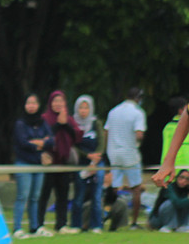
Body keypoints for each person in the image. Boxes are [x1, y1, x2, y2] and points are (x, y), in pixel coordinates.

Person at [35, 90, 80, 235]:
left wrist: (65, 124)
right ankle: (39, 224)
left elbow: (76, 137)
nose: (58, 104)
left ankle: (61, 224)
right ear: (50, 103)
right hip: (48, 163)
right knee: (44, 194)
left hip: (64, 162)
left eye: (61, 101)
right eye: (55, 101)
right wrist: (58, 125)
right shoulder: (44, 118)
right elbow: (43, 138)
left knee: (63, 195)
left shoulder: (69, 119)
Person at [104, 87, 147, 228]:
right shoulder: (138, 113)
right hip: (130, 154)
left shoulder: (113, 111)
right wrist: (138, 143)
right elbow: (139, 134)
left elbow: (106, 132)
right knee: (136, 188)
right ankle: (133, 222)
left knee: (115, 187)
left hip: (114, 154)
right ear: (138, 98)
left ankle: (111, 218)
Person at [62, 94, 105, 234]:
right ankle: (76, 225)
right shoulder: (73, 124)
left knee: (96, 195)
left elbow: (101, 142)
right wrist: (87, 155)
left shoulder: (95, 123)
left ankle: (97, 225)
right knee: (78, 195)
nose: (83, 111)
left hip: (97, 163)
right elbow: (73, 145)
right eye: (81, 107)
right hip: (80, 163)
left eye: (86, 108)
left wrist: (95, 158)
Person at [11, 94, 52, 238]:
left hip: (38, 164)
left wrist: (38, 143)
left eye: (34, 103)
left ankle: (35, 227)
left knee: (35, 197)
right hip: (24, 163)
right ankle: (17, 228)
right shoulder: (20, 124)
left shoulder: (43, 122)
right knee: (23, 196)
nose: (31, 106)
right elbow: (22, 143)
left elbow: (51, 140)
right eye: (29, 103)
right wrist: (40, 144)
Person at [160, 96, 189, 169]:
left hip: (171, 166)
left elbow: (166, 148)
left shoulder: (167, 127)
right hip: (185, 165)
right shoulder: (184, 127)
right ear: (181, 111)